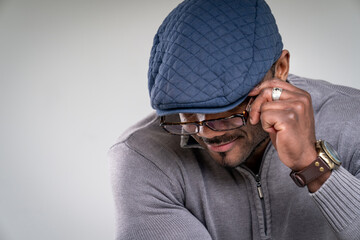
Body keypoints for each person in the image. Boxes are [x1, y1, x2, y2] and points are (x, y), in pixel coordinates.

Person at [109, 0, 360, 239]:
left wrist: (313, 166)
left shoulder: (353, 120)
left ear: (280, 69)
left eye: (228, 111)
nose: (208, 133)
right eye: (187, 112)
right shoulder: (144, 156)